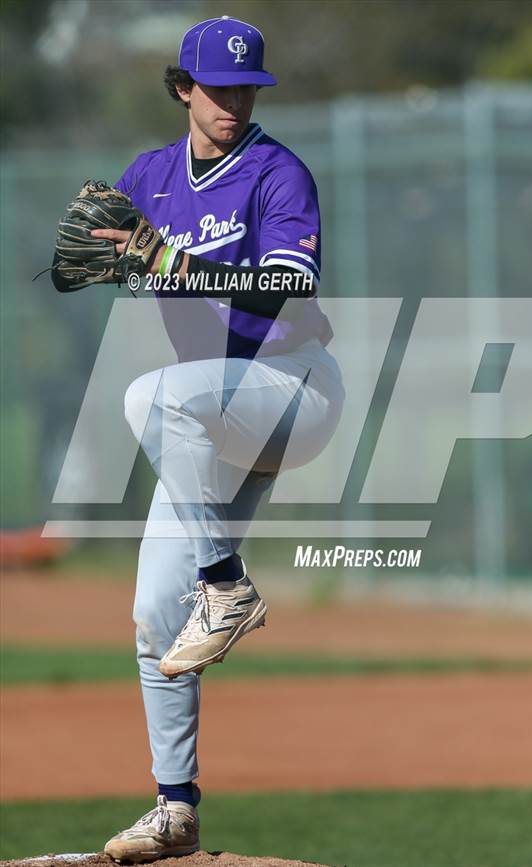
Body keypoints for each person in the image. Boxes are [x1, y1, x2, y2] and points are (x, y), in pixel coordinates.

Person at [54, 16, 344, 863]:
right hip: (213, 411)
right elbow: (96, 254)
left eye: (247, 86)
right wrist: (90, 258)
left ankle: (228, 587)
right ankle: (174, 807)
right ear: (182, 87)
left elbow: (285, 290)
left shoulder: (278, 173)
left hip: (292, 390)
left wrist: (170, 260)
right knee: (151, 614)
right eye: (218, 87)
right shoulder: (149, 176)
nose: (234, 100)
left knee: (152, 398)